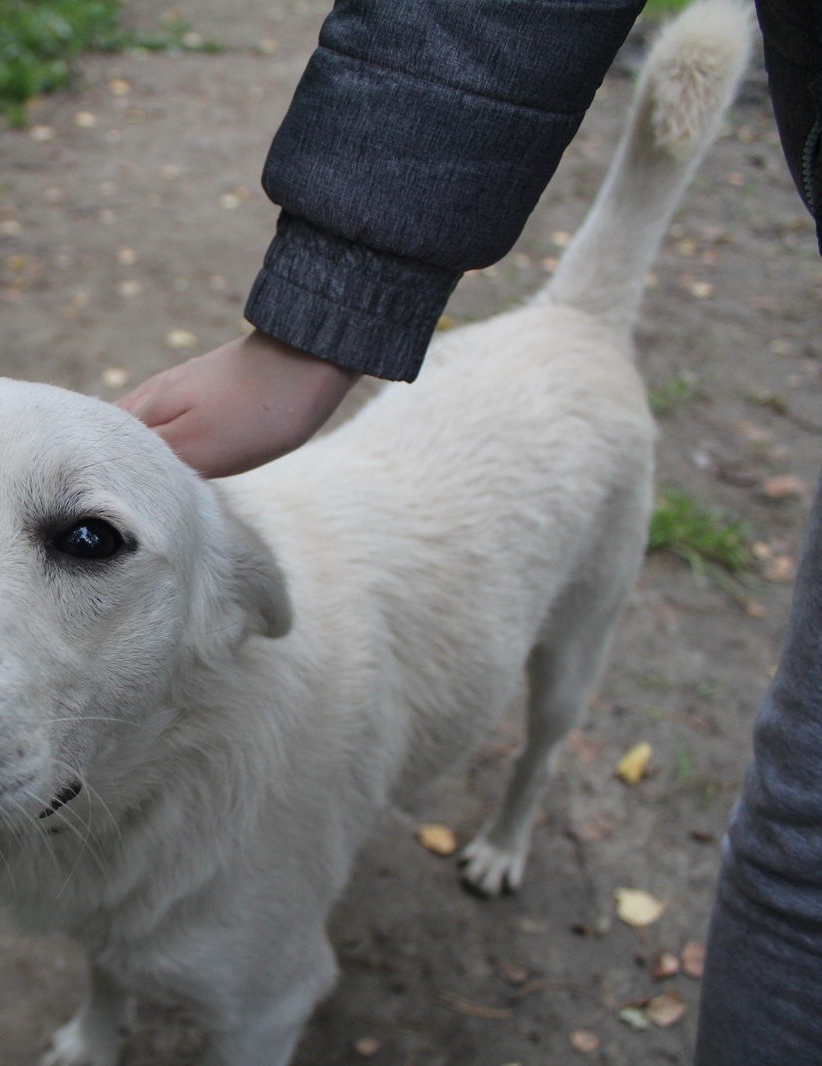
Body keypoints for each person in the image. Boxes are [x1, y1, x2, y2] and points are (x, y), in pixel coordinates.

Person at [114, 1, 822, 1062]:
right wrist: (325, 312)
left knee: (583, 711)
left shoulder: (604, 428)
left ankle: (521, 807)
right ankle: (97, 1011)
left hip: (582, 436)